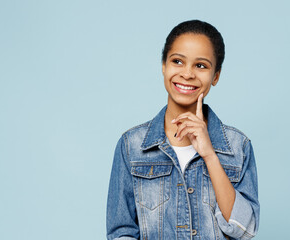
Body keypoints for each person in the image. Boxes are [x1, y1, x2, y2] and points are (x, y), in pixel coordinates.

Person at [106, 20, 260, 240]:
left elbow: (245, 230)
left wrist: (210, 155)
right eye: (178, 61)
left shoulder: (238, 146)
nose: (187, 74)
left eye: (201, 65)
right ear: (164, 66)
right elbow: (121, 232)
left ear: (215, 76)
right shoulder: (131, 145)